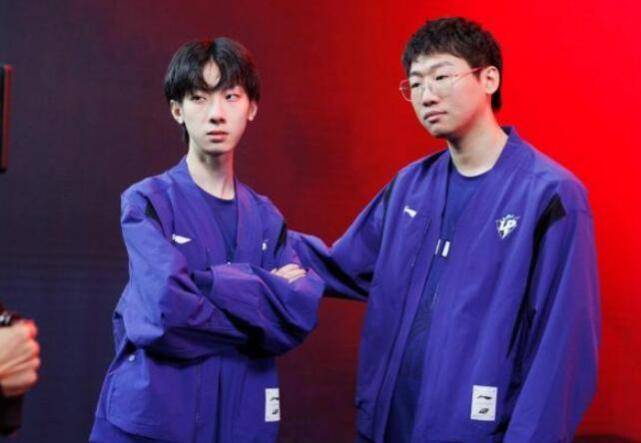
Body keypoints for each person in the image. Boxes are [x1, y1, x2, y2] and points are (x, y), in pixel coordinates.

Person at [291, 17, 600, 443]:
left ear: (489, 79)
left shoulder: (550, 196)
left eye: (441, 76)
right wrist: (256, 234)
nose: (426, 95)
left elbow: (564, 347)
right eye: (415, 83)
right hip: (387, 425)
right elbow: (340, 266)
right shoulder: (410, 187)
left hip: (477, 430)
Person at [90, 38, 323, 443]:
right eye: (199, 98)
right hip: (153, 422)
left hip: (239, 417)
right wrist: (258, 295)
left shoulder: (266, 218)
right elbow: (164, 314)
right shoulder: (147, 202)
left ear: (252, 107)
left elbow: (295, 315)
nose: (216, 113)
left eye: (230, 96)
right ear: (177, 110)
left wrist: (203, 284)